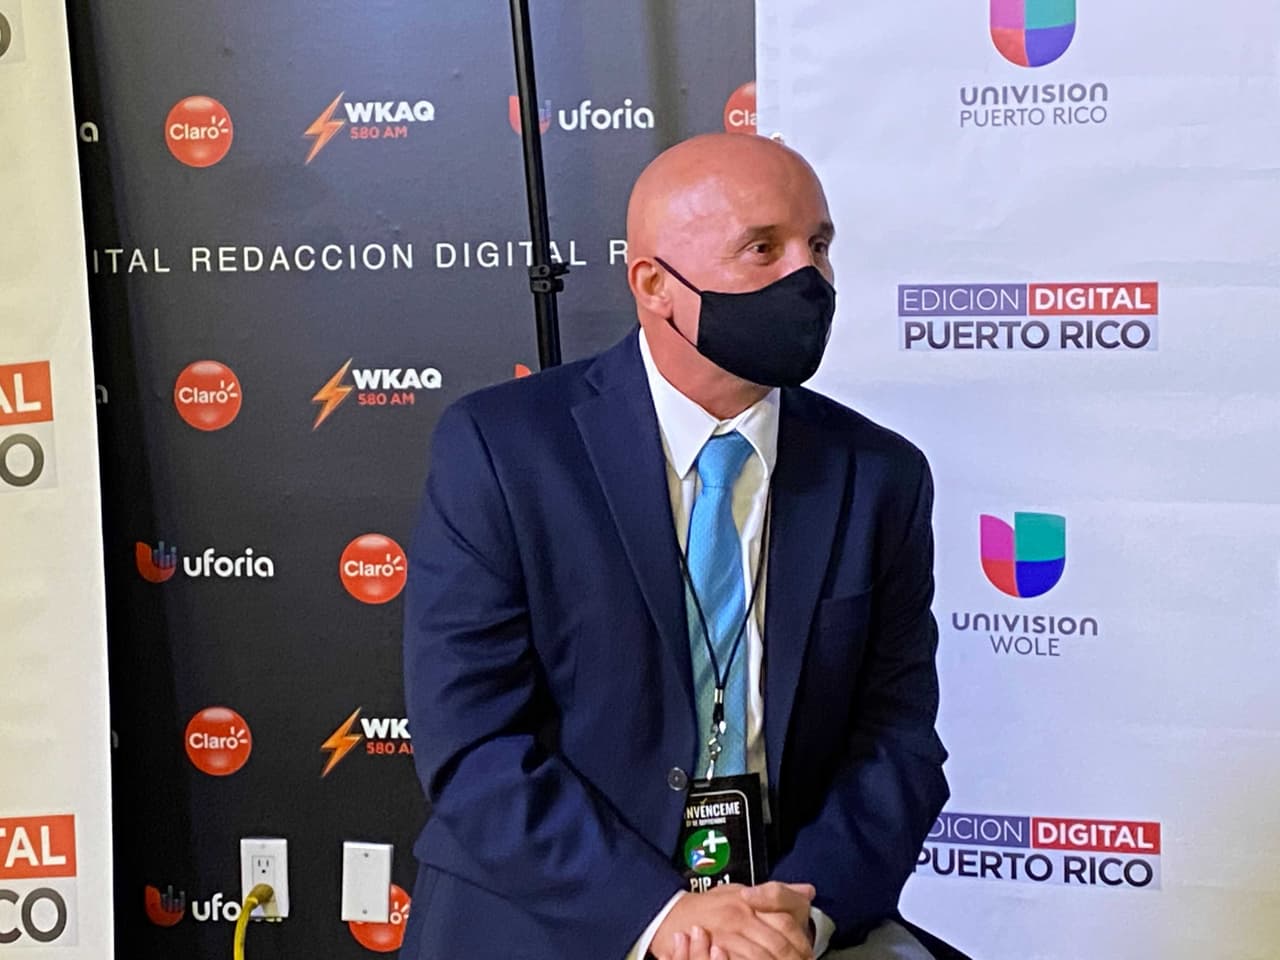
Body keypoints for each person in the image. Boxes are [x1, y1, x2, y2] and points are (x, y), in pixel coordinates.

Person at [400, 132, 950, 960]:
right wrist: (666, 915)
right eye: (762, 249)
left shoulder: (880, 476)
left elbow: (897, 742)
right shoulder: (504, 450)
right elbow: (474, 747)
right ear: (654, 285)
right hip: (550, 917)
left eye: (820, 246)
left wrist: (808, 911)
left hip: (787, 922)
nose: (809, 278)